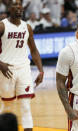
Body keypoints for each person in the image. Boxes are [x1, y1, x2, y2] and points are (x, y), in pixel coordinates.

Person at [0, 0, 44, 131]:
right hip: (6, 70)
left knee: (25, 106)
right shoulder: (2, 26)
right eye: (14, 5)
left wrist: (40, 71)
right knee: (7, 106)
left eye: (19, 4)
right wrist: (0, 63)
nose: (18, 7)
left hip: (24, 69)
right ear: (9, 8)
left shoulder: (27, 27)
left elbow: (34, 51)